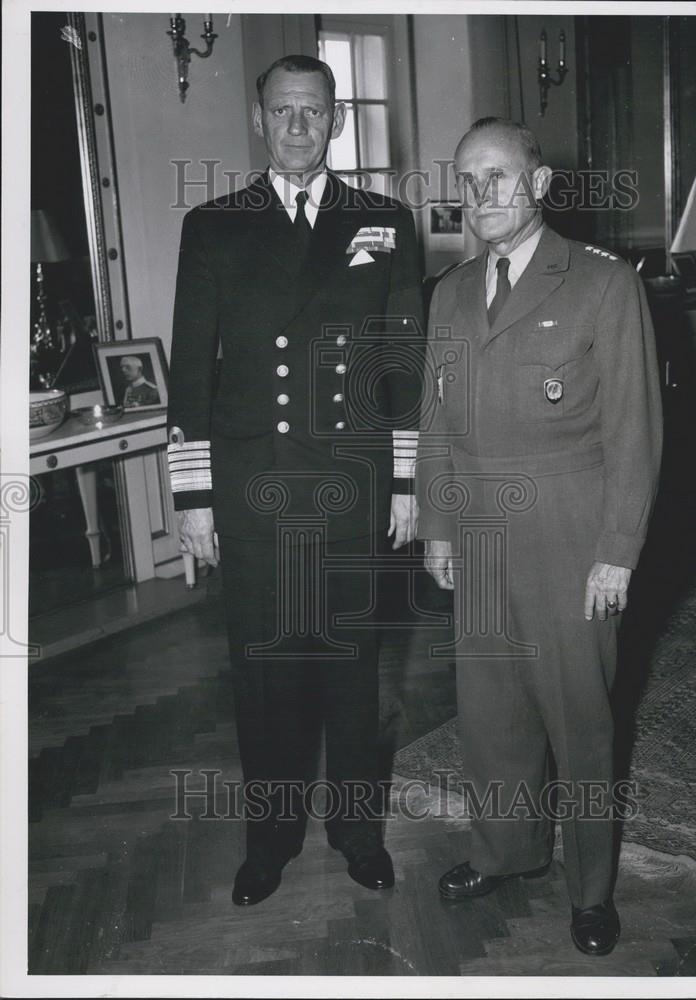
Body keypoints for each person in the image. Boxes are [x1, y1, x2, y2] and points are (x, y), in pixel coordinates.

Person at [167, 54, 424, 907]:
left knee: (351, 672)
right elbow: (191, 376)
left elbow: (403, 361)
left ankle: (357, 834)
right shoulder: (214, 225)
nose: (298, 126)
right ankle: (270, 842)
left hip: (350, 481)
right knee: (264, 674)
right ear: (259, 120)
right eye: (283, 111)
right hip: (252, 486)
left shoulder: (382, 220)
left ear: (337, 120)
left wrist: (406, 483)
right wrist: (195, 499)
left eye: (314, 111)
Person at [415, 117, 662, 956]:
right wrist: (440, 527)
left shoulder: (599, 283)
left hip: (569, 533)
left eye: (498, 176)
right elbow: (438, 421)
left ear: (541, 184)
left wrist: (616, 551)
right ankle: (505, 851)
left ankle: (592, 891)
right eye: (467, 179)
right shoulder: (448, 291)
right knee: (491, 715)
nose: (480, 195)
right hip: (479, 534)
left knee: (580, 720)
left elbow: (636, 431)